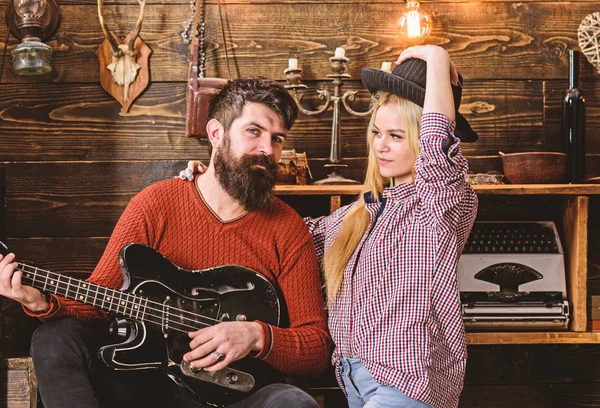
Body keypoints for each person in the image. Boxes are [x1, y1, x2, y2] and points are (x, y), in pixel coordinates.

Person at [0, 77, 332, 408]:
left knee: (292, 401)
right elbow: (98, 302)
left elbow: (315, 347)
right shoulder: (156, 204)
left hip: (239, 395)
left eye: (277, 139)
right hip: (147, 384)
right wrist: (41, 301)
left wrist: (256, 335)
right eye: (254, 131)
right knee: (55, 338)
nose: (267, 149)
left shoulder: (287, 228)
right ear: (216, 133)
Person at [179, 45, 479, 408]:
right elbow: (282, 233)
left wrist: (435, 56)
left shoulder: (441, 206)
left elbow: (436, 144)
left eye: (396, 136)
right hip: (356, 384)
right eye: (376, 132)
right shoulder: (358, 216)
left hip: (408, 381)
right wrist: (215, 180)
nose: (380, 146)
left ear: (421, 138)